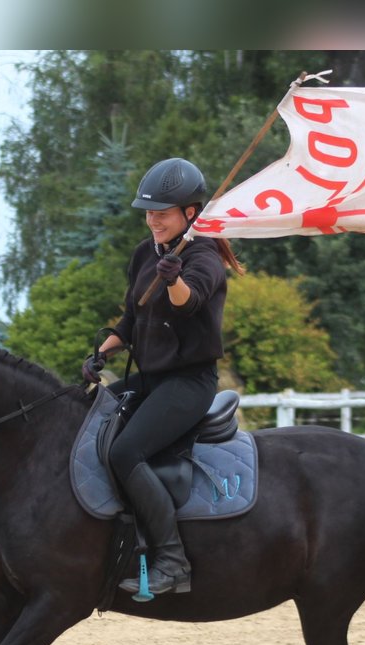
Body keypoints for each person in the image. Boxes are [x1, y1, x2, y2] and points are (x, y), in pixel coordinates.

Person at [82, 157, 244, 596]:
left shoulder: (204, 255)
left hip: (188, 383)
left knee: (125, 451)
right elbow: (131, 323)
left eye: (162, 212)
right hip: (150, 378)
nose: (153, 220)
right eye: (149, 212)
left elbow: (187, 303)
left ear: (191, 214)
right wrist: (99, 355)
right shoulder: (144, 254)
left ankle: (173, 562)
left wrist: (174, 279)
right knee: (83, 417)